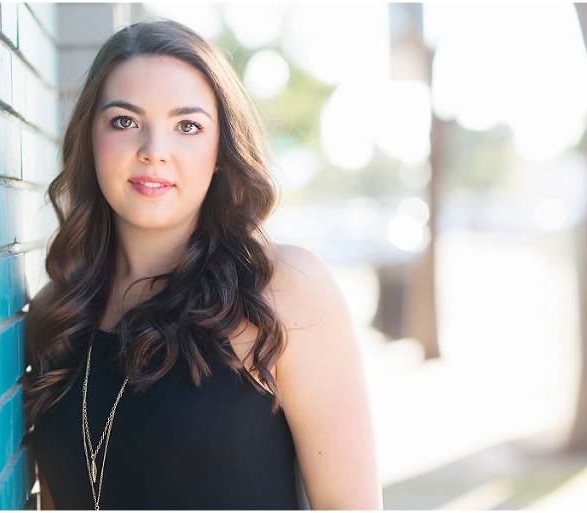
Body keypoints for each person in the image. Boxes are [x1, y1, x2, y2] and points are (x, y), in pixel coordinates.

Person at [25, 18, 382, 510]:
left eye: (187, 126)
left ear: (220, 151)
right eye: (125, 122)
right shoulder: (57, 313)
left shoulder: (283, 292)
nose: (154, 152)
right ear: (91, 140)